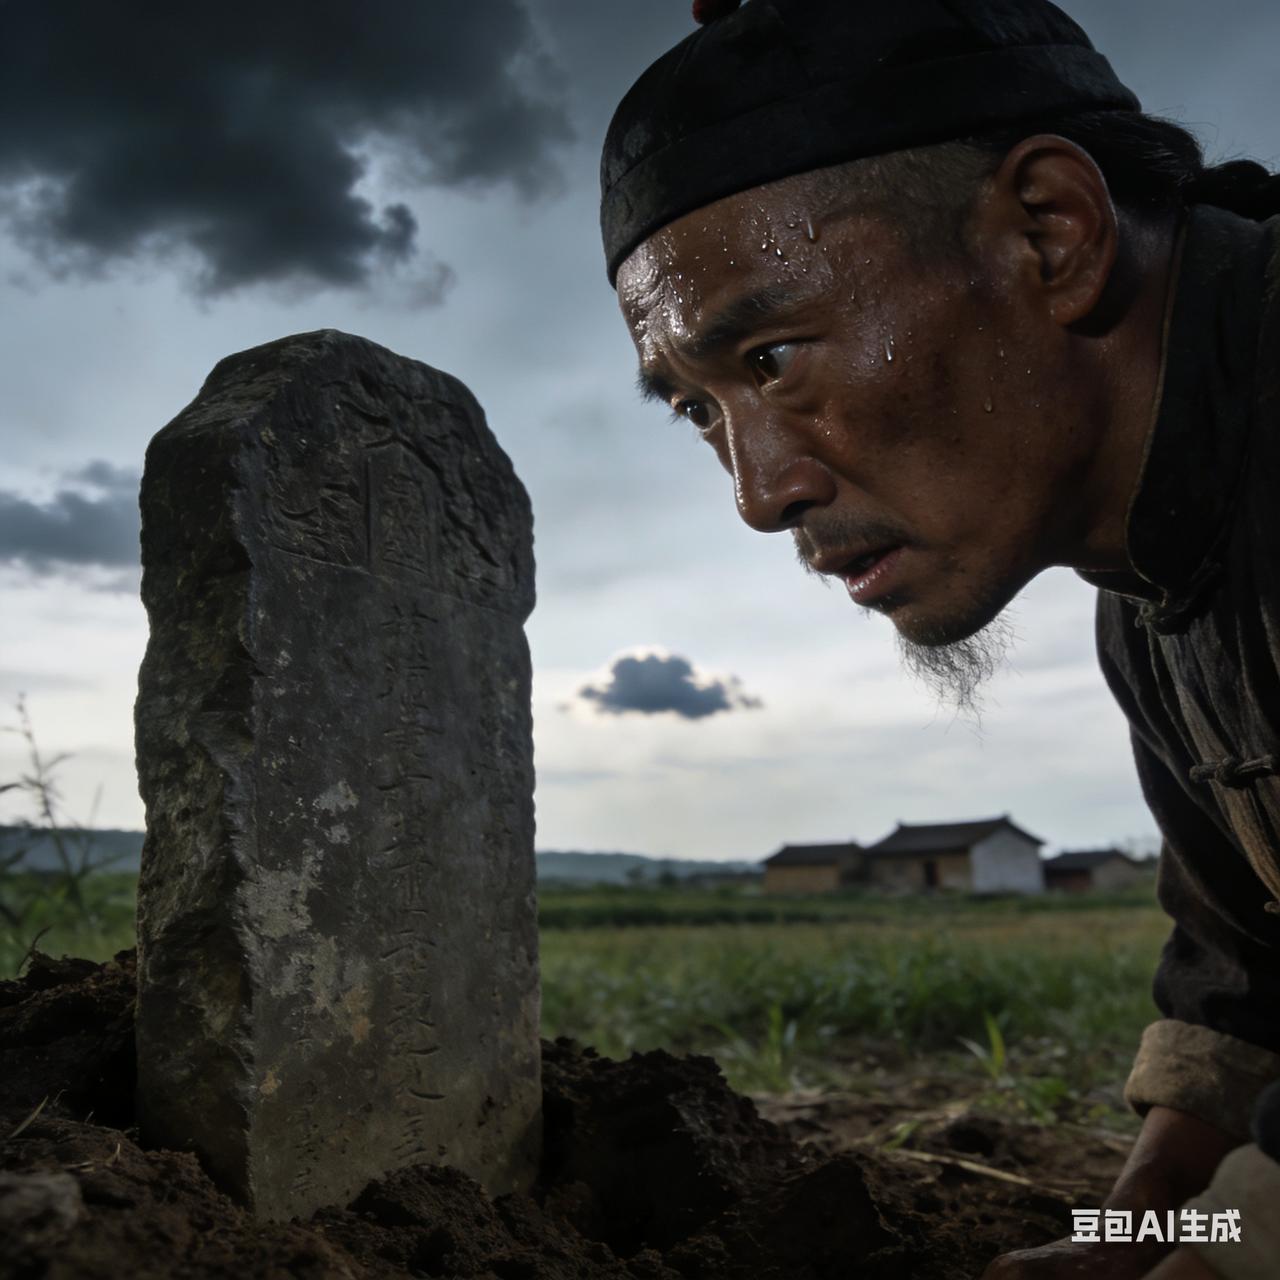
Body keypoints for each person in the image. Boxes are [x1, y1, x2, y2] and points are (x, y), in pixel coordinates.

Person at [599, 2, 1280, 1278]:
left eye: (777, 352)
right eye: (696, 407)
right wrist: (1138, 1224)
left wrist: (1229, 1246)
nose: (756, 495)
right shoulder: (1146, 590)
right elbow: (1247, 969)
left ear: (1049, 233)